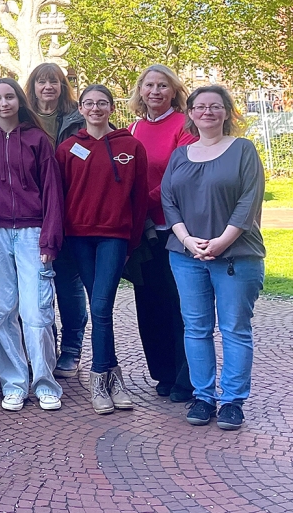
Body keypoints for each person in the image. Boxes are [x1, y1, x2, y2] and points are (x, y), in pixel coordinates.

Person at [162, 86, 265, 431]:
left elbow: (248, 201)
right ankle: (203, 396)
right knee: (196, 328)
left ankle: (233, 401)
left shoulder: (243, 150)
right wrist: (188, 240)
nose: (208, 112)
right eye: (201, 106)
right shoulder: (180, 155)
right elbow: (168, 201)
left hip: (236, 255)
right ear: (190, 113)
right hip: (186, 256)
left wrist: (221, 242)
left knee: (235, 328)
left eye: (216, 106)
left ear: (226, 112)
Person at [0, 78, 64, 413]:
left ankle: (45, 383)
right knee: (1, 310)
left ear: (19, 101)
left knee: (36, 311)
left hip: (32, 232)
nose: (4, 102)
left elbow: (52, 190)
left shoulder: (38, 139)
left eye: (10, 96)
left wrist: (50, 237)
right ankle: (14, 384)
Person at [56, 85, 147, 415]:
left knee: (101, 304)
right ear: (80, 108)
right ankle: (113, 376)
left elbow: (139, 199)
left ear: (111, 107)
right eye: (89, 103)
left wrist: (130, 243)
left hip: (114, 237)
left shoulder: (131, 146)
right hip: (79, 238)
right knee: (100, 308)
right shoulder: (68, 149)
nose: (96, 108)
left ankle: (99, 379)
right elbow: (60, 195)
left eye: (102, 103)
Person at [126, 64, 195, 403]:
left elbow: (179, 175)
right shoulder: (133, 128)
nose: (155, 91)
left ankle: (187, 377)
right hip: (143, 231)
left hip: (174, 229)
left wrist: (143, 202)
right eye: (149, 85)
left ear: (174, 91)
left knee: (179, 305)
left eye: (162, 86)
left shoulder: (184, 125)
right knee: (150, 304)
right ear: (140, 91)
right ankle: (163, 373)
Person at [24, 63, 88, 379]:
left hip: (71, 212)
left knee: (68, 283)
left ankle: (72, 349)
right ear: (32, 87)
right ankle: (47, 345)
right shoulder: (22, 121)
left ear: (62, 87)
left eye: (54, 82)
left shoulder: (78, 121)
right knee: (38, 286)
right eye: (41, 81)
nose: (48, 87)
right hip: (33, 213)